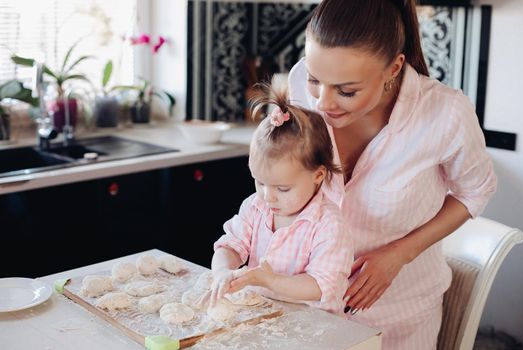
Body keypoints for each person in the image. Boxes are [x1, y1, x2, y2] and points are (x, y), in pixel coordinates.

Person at [287, 0, 497, 349]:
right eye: (314, 79)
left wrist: (400, 253)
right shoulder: (298, 85)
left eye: (347, 90)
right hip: (305, 310)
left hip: (398, 319)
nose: (323, 102)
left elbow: (474, 192)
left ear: (394, 68)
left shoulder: (444, 113)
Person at [209, 83, 353, 315]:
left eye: (283, 188)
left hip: (314, 327)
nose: (268, 196)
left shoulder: (328, 224)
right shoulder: (256, 207)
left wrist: (268, 280)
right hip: (264, 315)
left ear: (318, 175)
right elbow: (231, 245)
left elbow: (321, 285)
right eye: (260, 182)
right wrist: (222, 271)